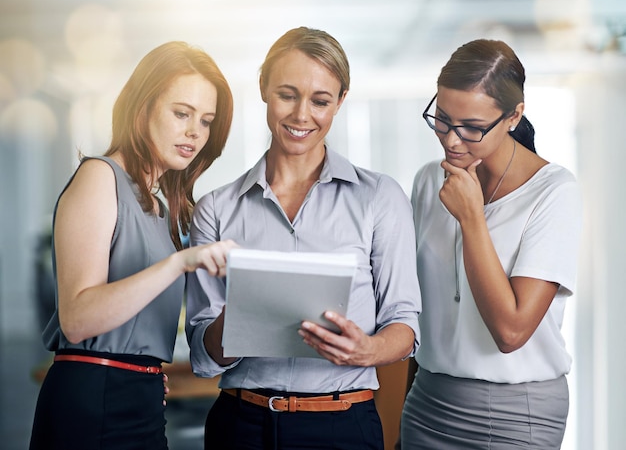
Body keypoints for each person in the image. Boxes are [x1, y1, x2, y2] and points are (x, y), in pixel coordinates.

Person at [185, 26, 421, 450]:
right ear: (263, 89)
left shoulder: (379, 198)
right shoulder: (215, 210)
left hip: (342, 426)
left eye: (320, 101)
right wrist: (243, 314)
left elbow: (405, 324)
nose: (301, 115)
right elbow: (203, 357)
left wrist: (365, 350)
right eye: (287, 94)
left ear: (341, 101)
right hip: (242, 425)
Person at [29, 41, 238, 450]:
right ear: (142, 109)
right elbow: (77, 318)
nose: (195, 132)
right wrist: (180, 262)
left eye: (206, 120)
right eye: (182, 113)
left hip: (140, 401)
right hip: (92, 403)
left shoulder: (161, 208)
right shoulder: (99, 177)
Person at [400, 39, 582, 449]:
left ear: (514, 116)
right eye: (442, 119)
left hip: (518, 414)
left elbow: (511, 331)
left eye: (472, 127)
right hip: (428, 404)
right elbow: (422, 311)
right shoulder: (430, 181)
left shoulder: (553, 192)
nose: (451, 140)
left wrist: (471, 218)